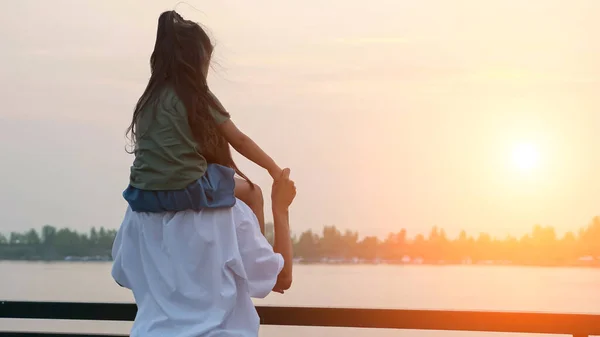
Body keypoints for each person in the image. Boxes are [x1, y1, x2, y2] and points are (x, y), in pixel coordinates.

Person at [122, 10, 282, 233]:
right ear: (197, 61)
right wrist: (273, 169)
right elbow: (240, 140)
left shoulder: (148, 99)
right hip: (185, 189)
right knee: (253, 193)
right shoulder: (196, 95)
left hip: (142, 194)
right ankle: (257, 254)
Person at [111, 168, 296, 337]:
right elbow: (282, 278)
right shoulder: (230, 211)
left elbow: (122, 276)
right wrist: (280, 209)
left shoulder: (139, 210)